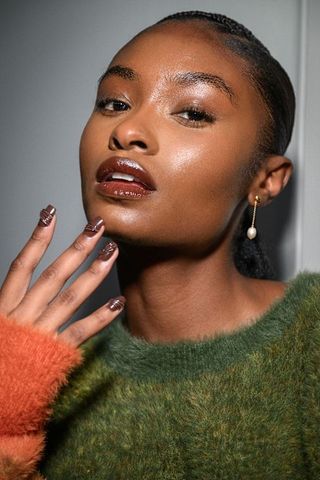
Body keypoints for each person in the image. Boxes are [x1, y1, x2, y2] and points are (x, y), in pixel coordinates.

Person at [0, 10, 319, 480]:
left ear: (265, 181)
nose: (126, 131)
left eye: (192, 112)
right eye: (113, 102)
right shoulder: (41, 381)